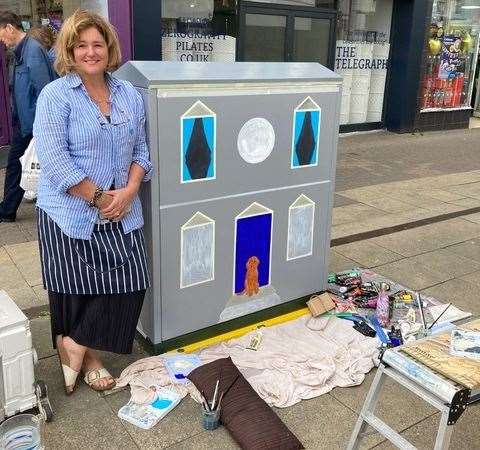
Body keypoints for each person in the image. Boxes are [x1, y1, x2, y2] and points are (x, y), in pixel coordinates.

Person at [33, 9, 152, 394]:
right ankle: (92, 360)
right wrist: (100, 198)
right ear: (70, 50)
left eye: (97, 44)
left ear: (108, 48)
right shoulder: (56, 95)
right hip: (68, 212)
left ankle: (75, 344)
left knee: (134, 280)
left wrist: (131, 189)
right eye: (81, 45)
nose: (90, 52)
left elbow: (143, 152)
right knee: (75, 290)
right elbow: (55, 162)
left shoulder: (129, 94)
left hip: (121, 209)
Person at [0, 12, 57, 222]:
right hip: (24, 122)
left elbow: (44, 91)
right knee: (18, 164)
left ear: (9, 28)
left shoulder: (32, 50)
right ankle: (7, 208)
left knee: (16, 163)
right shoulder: (21, 51)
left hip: (32, 123)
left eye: (2, 35)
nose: (2, 41)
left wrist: (39, 126)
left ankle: (7, 211)